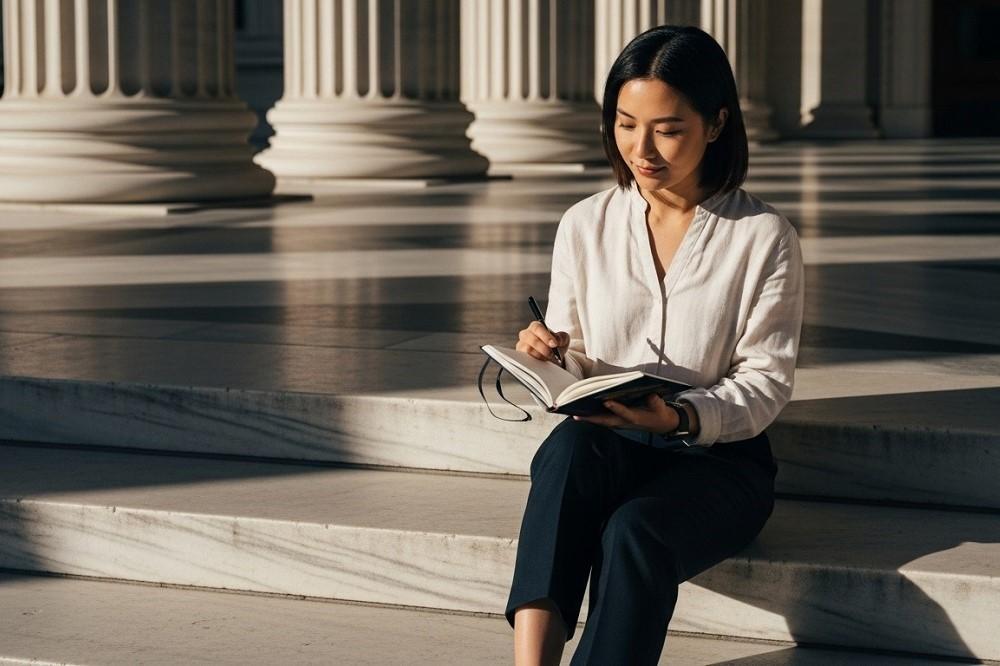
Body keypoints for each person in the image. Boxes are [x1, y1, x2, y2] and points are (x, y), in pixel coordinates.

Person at [504, 25, 805, 665]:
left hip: (719, 460)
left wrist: (681, 416)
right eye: (624, 123)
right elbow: (579, 349)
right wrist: (555, 353)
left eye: (667, 129)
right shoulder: (585, 224)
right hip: (612, 436)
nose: (642, 149)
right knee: (565, 456)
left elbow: (766, 380)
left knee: (634, 531)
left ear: (717, 123)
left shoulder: (763, 236)